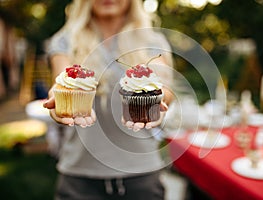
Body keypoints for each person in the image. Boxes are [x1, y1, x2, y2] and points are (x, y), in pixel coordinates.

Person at [43, 0, 174, 199]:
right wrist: (58, 100)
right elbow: (62, 83)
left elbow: (165, 89)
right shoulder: (65, 40)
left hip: (141, 173)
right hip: (79, 175)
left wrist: (157, 101)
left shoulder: (152, 41)